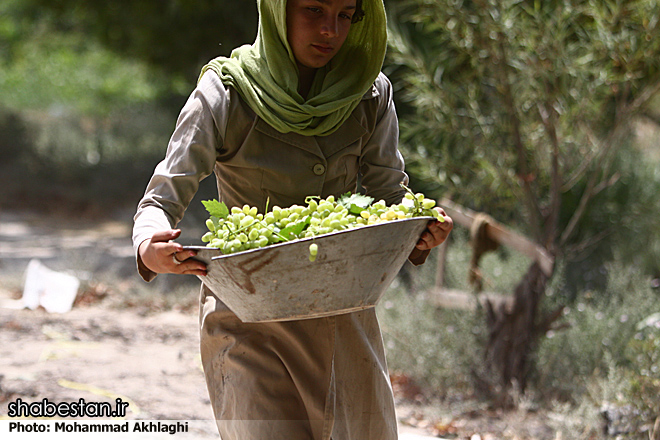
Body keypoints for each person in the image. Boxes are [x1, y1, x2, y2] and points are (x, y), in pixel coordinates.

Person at [132, 0, 453, 438]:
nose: (330, 30)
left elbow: (390, 198)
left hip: (344, 318)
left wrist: (421, 231)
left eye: (345, 15)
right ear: (278, 11)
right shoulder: (227, 92)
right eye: (314, 10)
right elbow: (161, 197)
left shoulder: (369, 94)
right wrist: (150, 245)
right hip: (248, 318)